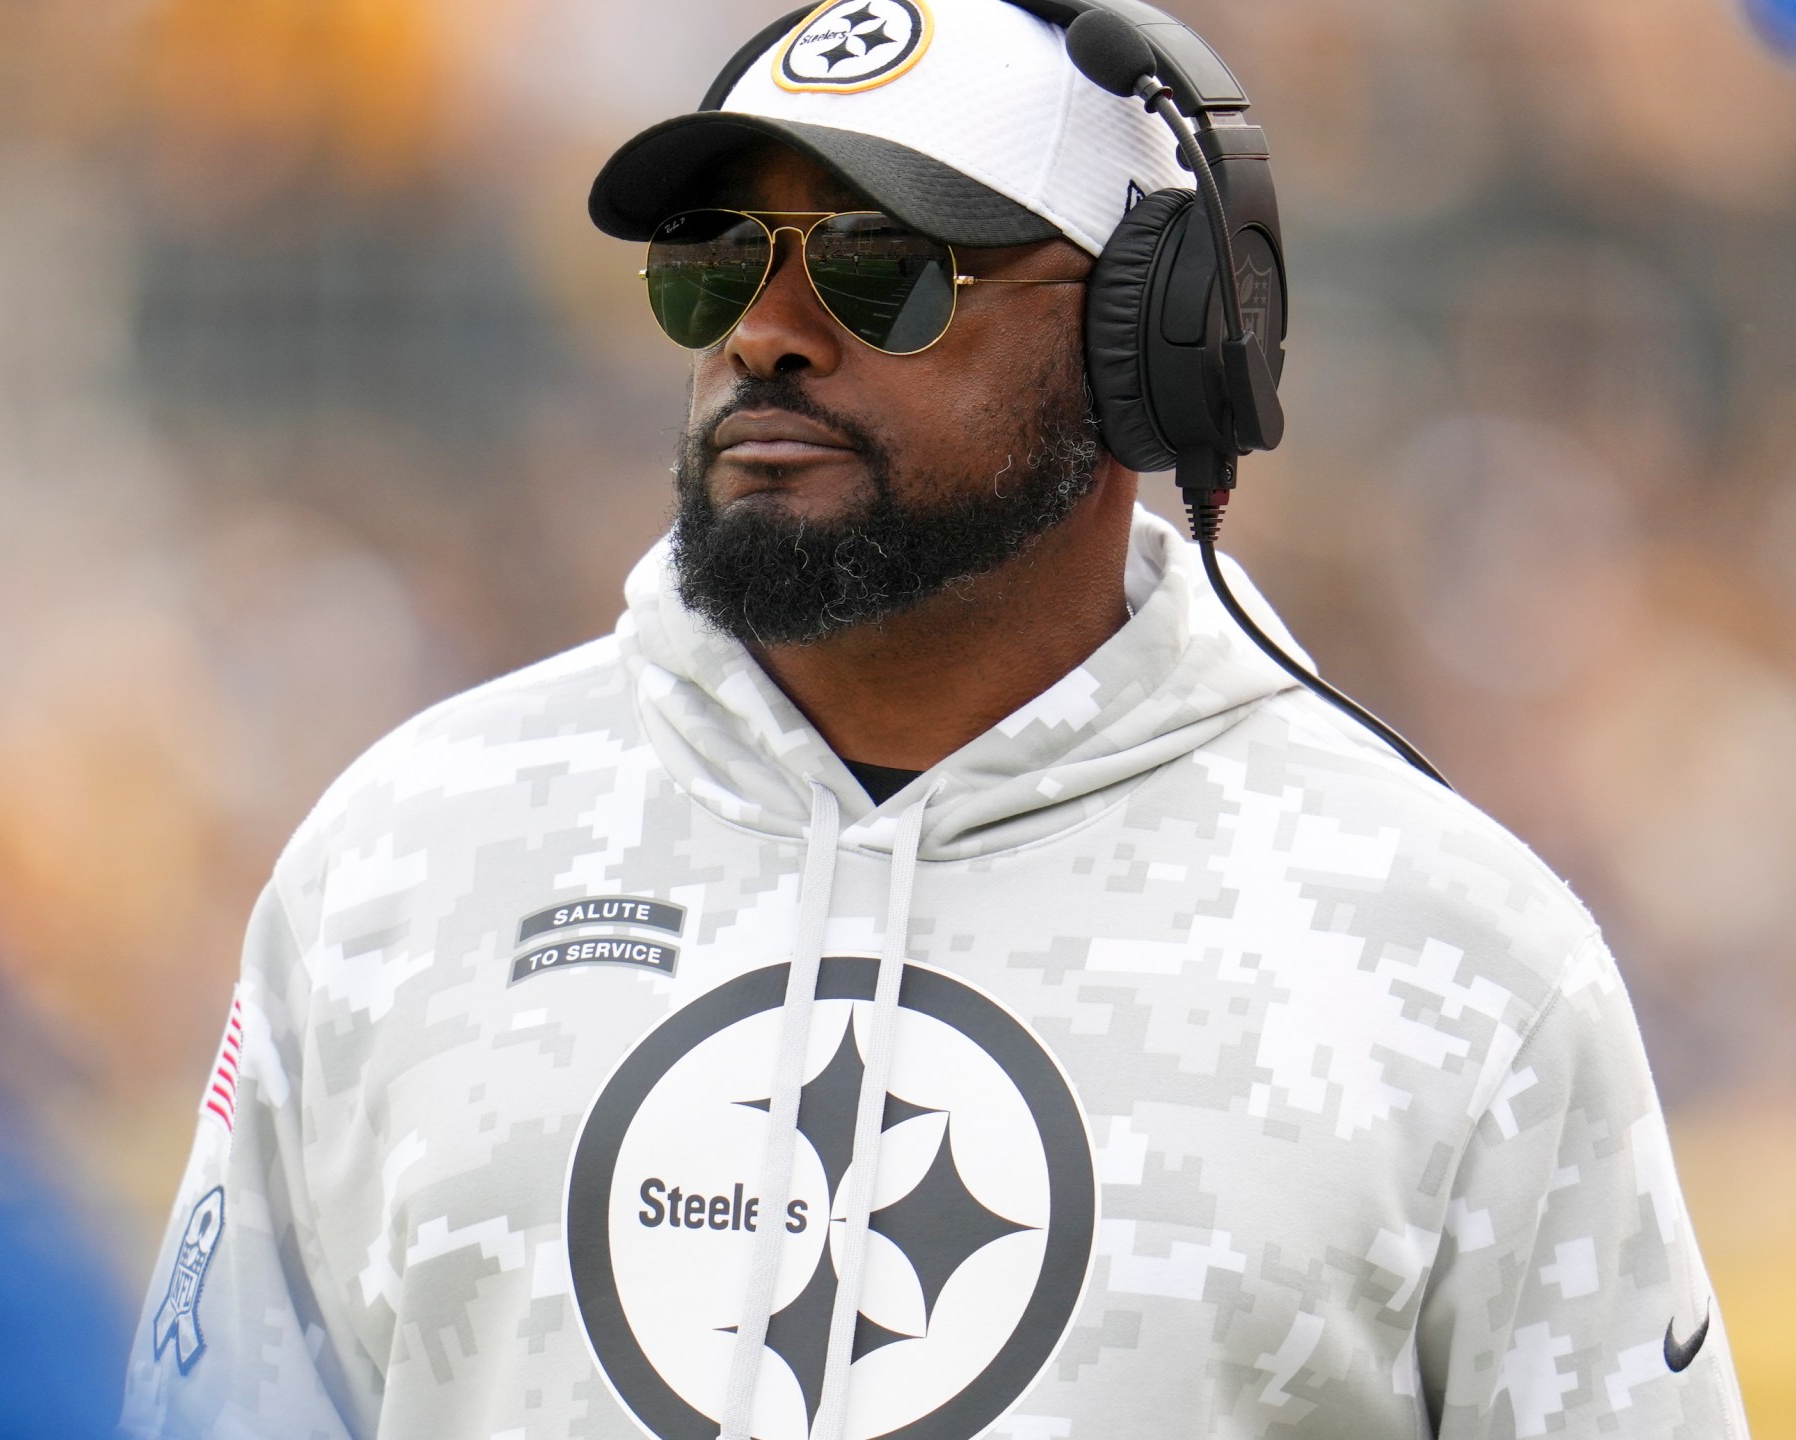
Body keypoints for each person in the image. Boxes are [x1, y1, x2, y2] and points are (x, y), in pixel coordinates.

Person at [121, 2, 1751, 1437]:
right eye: (715, 265)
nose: (767, 330)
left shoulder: (1464, 959)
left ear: (1146, 348)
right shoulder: (404, 859)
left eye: (883, 269)